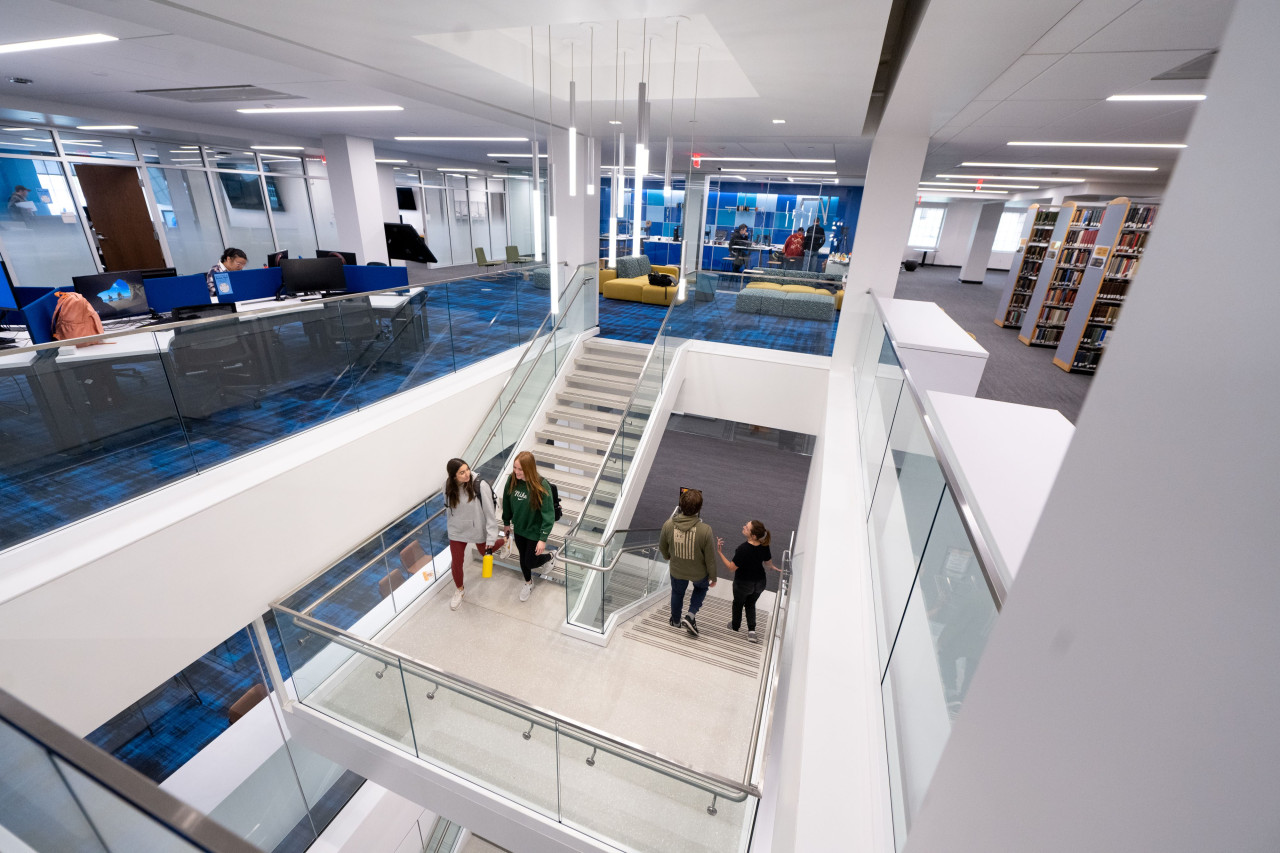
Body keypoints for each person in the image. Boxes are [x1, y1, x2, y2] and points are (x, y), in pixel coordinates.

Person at [443, 458, 504, 611]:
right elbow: (448, 508)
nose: (466, 474)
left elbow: (490, 514)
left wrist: (491, 537)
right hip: (456, 530)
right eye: (461, 473)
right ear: (453, 476)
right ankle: (460, 590)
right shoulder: (446, 486)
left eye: (467, 470)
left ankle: (505, 541)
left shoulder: (480, 485)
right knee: (456, 562)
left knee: (484, 552)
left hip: (477, 527)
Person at [659, 488, 717, 637]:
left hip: (677, 570)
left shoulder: (668, 525)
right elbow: (710, 557)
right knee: (701, 588)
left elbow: (662, 547)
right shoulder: (705, 530)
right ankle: (691, 615)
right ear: (699, 508)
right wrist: (713, 576)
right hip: (699, 572)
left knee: (677, 593)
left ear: (680, 505)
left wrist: (667, 556)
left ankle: (676, 621)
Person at [501, 451, 556, 602]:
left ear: (529, 468)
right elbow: (506, 502)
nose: (516, 472)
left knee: (529, 561)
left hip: (534, 530)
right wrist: (506, 522)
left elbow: (548, 514)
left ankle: (550, 556)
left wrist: (543, 538)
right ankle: (528, 583)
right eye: (515, 468)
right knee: (523, 558)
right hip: (519, 528)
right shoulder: (512, 480)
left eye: (520, 469)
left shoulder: (541, 485)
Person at [716, 520, 779, 643]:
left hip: (743, 583)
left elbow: (731, 568)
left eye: (747, 527)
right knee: (750, 604)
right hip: (760, 583)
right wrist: (772, 567)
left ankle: (735, 626)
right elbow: (768, 563)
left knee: (738, 604)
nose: (743, 527)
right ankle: (751, 631)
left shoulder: (743, 549)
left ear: (753, 535)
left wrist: (720, 552)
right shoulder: (764, 545)